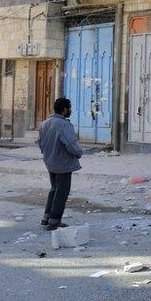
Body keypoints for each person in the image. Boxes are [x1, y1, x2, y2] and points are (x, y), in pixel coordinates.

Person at [37, 98, 84, 231]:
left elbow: (40, 143)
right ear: (64, 109)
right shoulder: (64, 125)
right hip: (63, 163)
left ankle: (47, 218)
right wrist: (79, 153)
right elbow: (70, 144)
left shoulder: (45, 123)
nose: (71, 110)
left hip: (50, 162)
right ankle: (54, 221)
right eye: (69, 107)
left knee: (54, 189)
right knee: (61, 192)